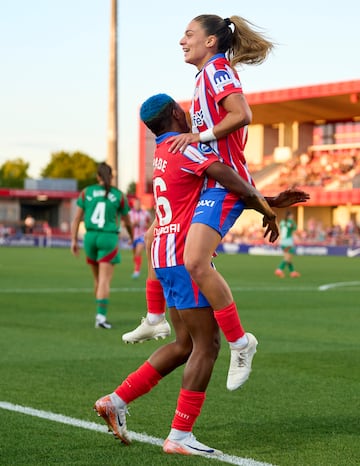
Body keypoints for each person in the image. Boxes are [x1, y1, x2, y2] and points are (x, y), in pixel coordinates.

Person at [94, 93, 281, 456]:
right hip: (183, 258)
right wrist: (267, 209)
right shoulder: (187, 148)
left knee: (184, 345)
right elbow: (227, 178)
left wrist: (267, 200)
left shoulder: (161, 153)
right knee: (207, 345)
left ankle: (116, 401)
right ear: (178, 114)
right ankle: (179, 435)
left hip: (164, 256)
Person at [164, 14, 303, 390]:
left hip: (225, 183)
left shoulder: (218, 70)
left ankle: (241, 343)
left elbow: (242, 114)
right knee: (182, 252)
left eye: (189, 34)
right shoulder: (205, 75)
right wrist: (265, 203)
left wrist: (199, 135)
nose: (182, 40)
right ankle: (157, 318)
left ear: (211, 41)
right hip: (219, 183)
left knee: (194, 259)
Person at [71, 162, 133, 329]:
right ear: (111, 176)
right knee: (105, 281)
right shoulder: (118, 195)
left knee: (97, 279)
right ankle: (100, 317)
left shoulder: (86, 192)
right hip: (108, 238)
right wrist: (132, 238)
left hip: (89, 237)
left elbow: (77, 218)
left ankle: (99, 312)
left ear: (97, 176)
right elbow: (128, 222)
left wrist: (74, 240)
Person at [128, 198, 152, 278]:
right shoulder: (130, 213)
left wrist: (146, 225)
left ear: (140, 204)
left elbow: (150, 224)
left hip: (142, 236)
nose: (137, 205)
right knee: (135, 255)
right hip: (133, 237)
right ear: (134, 205)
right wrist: (133, 224)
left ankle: (137, 270)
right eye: (135, 204)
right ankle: (137, 266)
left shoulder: (145, 213)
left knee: (138, 252)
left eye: (138, 204)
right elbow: (126, 225)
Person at [275, 211, 300, 278]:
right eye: (292, 215)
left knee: (288, 258)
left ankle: (293, 272)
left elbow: (279, 231)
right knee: (287, 258)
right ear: (290, 216)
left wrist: (278, 240)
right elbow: (295, 231)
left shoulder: (282, 222)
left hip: (282, 242)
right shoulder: (291, 222)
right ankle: (279, 270)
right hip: (288, 242)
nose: (293, 217)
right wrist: (297, 239)